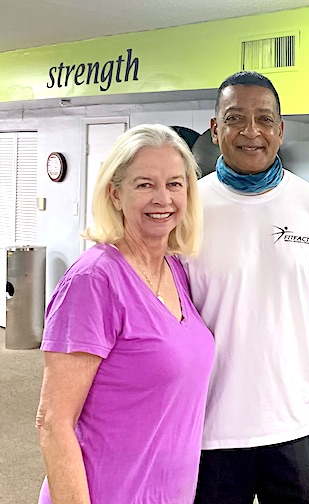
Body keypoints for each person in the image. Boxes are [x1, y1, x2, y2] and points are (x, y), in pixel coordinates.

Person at [184, 71, 309, 504]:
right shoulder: (187, 209)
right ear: (215, 129)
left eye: (265, 119)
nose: (252, 132)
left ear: (280, 129)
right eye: (235, 118)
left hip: (303, 426)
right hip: (208, 432)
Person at [35, 124, 214, 504]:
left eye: (175, 184)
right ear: (115, 194)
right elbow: (53, 423)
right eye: (145, 184)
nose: (162, 198)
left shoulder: (175, 270)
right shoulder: (93, 281)